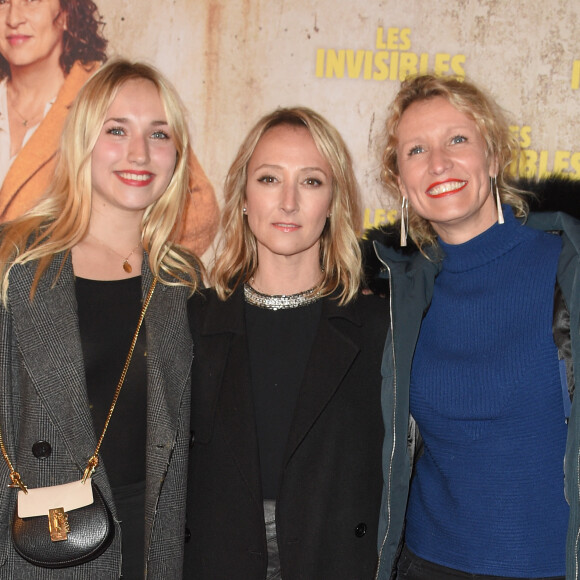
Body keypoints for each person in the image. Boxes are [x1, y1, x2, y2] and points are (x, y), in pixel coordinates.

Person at [370, 74, 580, 580]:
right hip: (424, 564)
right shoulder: (397, 294)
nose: (438, 163)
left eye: (457, 140)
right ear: (401, 182)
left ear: (493, 156)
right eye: (416, 150)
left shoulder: (568, 266)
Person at [0, 58, 200, 578]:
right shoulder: (15, 264)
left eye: (159, 133)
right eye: (117, 130)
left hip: (155, 544)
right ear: (83, 140)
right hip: (42, 542)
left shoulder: (184, 280)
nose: (140, 153)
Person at [184, 107, 388, 578]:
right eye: (270, 179)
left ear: (334, 200)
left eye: (312, 181)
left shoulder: (380, 327)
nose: (289, 202)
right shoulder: (192, 323)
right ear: (242, 196)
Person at [0, 0, 219, 256]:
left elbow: (201, 209)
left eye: (30, 1)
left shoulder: (109, 92)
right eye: (3, 2)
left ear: (66, 13)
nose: (14, 18)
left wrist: (120, 274)